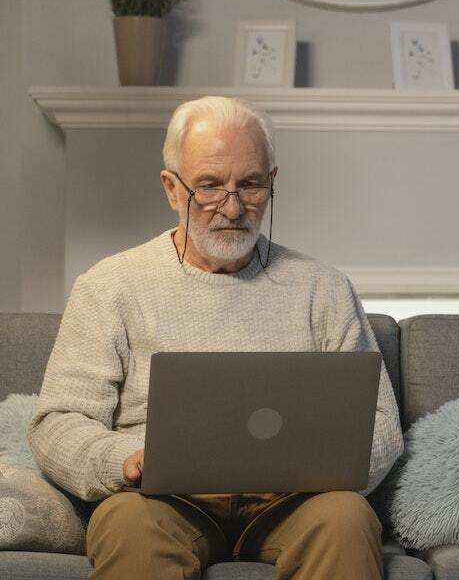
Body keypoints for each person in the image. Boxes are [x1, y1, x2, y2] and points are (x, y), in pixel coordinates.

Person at [27, 96, 403, 580]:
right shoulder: (110, 285)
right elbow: (57, 422)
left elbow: (381, 423)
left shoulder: (322, 287)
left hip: (296, 501)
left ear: (271, 183)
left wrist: (325, 465)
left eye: (250, 185)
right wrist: (125, 461)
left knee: (348, 518)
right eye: (209, 186)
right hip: (158, 500)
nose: (233, 207)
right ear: (170, 187)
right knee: (128, 526)